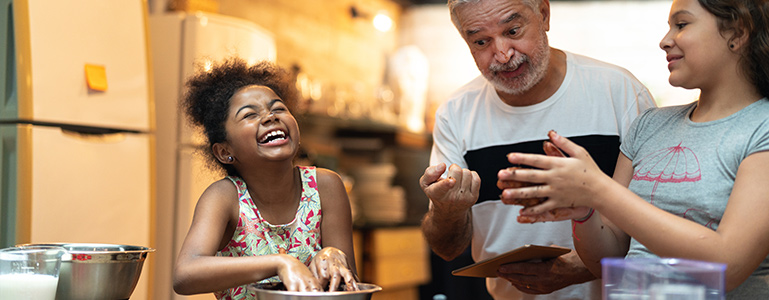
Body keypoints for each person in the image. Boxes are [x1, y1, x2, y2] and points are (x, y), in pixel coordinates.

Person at [499, 0, 769, 298]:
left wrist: (598, 189)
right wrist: (585, 210)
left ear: (738, 32)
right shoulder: (649, 126)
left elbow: (727, 266)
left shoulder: (761, 127)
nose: (665, 41)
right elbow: (607, 261)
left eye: (681, 24)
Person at [418, 0, 657, 298]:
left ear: (543, 14)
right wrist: (447, 210)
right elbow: (447, 247)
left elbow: (660, 224)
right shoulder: (455, 113)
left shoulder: (620, 91)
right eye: (481, 41)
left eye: (514, 30)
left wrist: (583, 266)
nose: (503, 55)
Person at [173, 58, 359, 299]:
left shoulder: (326, 187)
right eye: (250, 115)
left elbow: (349, 289)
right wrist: (280, 263)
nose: (271, 117)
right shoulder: (225, 197)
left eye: (279, 108)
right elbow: (184, 275)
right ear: (225, 151)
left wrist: (334, 255)